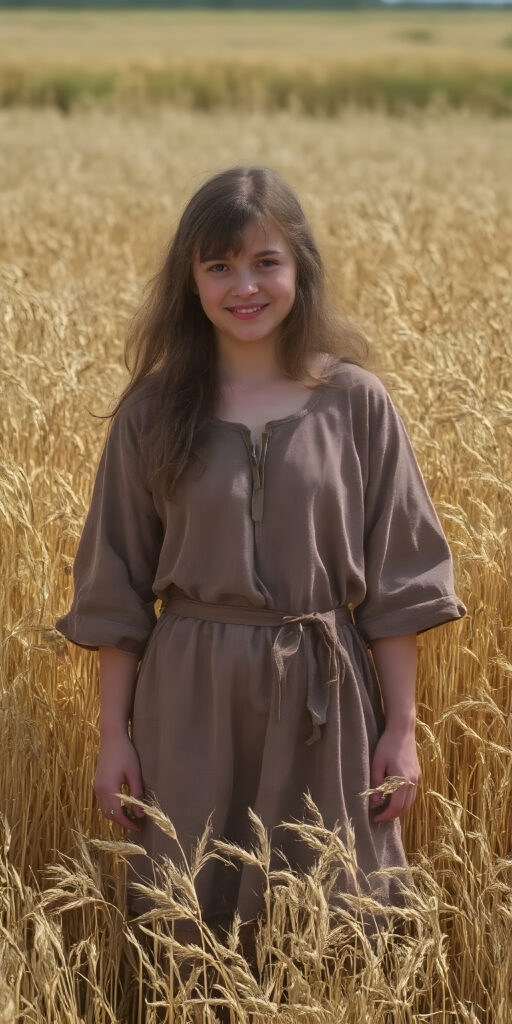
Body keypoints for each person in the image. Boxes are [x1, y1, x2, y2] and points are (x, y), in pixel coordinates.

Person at [55, 165, 466, 951]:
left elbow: (400, 582)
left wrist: (403, 729)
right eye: (219, 266)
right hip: (190, 699)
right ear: (193, 281)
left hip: (327, 695)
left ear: (299, 268)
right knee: (191, 923)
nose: (244, 286)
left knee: (335, 914)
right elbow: (115, 588)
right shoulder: (151, 413)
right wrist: (115, 735)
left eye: (264, 262)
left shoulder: (356, 403)